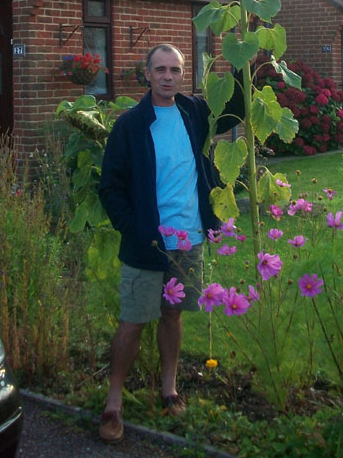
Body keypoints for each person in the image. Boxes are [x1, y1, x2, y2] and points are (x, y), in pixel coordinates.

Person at [97, 43, 243, 443]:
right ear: (148, 74)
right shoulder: (131, 125)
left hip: (189, 237)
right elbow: (110, 187)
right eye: (160, 69)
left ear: (183, 75)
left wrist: (248, 62)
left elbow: (235, 111)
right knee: (133, 321)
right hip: (147, 242)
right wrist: (135, 228)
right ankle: (113, 402)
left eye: (175, 70)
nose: (167, 76)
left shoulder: (194, 113)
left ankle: (169, 388)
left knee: (172, 315)